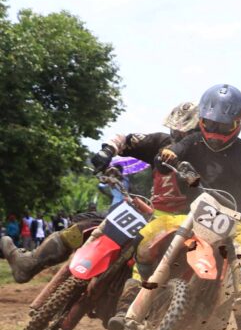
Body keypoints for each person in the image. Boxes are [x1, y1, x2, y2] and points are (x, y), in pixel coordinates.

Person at [2, 101, 200, 290]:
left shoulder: (211, 158)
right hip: (152, 215)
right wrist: (108, 151)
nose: (178, 135)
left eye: (186, 132)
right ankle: (30, 263)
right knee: (88, 225)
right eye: (175, 130)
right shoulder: (161, 142)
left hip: (187, 227)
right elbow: (126, 139)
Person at [158, 84, 241, 330]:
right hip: (189, 213)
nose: (214, 132)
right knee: (152, 238)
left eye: (222, 127)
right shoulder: (192, 141)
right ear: (200, 119)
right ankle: (134, 287)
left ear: (238, 124)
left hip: (230, 218)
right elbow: (174, 152)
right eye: (210, 124)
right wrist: (170, 154)